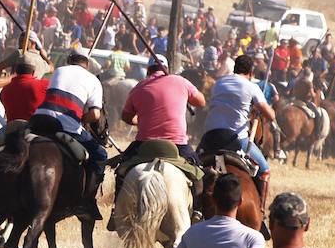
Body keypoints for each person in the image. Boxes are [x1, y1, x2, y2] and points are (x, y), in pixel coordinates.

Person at [32, 51, 108, 206]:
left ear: (69, 60)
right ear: (87, 63)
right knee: (101, 154)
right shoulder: (93, 80)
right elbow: (94, 114)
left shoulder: (59, 70)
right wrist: (80, 119)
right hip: (66, 125)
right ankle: (86, 202)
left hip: (39, 119)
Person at [200, 54, 276, 193]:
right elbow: (270, 115)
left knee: (194, 163)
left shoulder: (219, 83)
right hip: (236, 139)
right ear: (251, 72)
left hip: (210, 137)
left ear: (234, 68)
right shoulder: (251, 87)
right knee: (265, 171)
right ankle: (262, 212)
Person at [119, 57, 207, 165]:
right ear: (166, 68)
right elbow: (201, 102)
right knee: (199, 172)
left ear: (148, 70)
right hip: (177, 143)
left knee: (121, 169)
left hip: (144, 143)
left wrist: (140, 121)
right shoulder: (181, 81)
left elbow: (126, 117)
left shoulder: (138, 88)